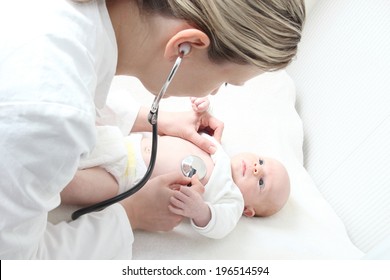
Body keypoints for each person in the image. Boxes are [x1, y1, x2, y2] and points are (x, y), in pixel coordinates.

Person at [0, 0, 305, 259]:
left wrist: (155, 119)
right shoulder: (53, 116)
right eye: (224, 82)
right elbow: (19, 263)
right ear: (185, 47)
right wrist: (132, 214)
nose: (213, 94)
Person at [61, 98, 291, 239]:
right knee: (76, 135)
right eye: (260, 162)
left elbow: (220, 224)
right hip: (124, 143)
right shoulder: (216, 147)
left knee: (72, 185)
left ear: (248, 210)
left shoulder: (231, 198)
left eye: (261, 182)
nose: (255, 170)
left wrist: (200, 211)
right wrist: (203, 108)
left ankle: (41, 185)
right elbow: (191, 126)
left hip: (126, 182)